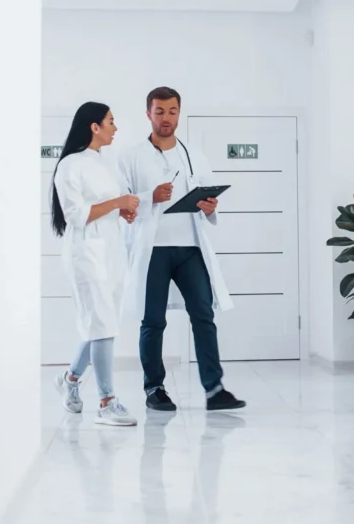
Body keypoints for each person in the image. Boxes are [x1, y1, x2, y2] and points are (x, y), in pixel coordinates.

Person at [119, 86, 245, 412]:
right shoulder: (130, 158)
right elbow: (124, 207)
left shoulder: (194, 155)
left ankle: (214, 389)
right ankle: (154, 389)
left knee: (204, 315)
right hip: (154, 251)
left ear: (179, 112)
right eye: (159, 111)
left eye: (172, 111)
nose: (166, 118)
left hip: (190, 247)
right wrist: (151, 198)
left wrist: (209, 205)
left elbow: (207, 199)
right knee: (153, 321)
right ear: (148, 113)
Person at [50, 102, 139, 426]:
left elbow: (104, 206)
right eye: (111, 122)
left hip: (111, 252)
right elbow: (76, 214)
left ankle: (70, 381)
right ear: (94, 126)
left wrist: (122, 210)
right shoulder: (70, 166)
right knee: (101, 324)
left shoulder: (103, 162)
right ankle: (106, 401)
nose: (115, 128)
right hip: (85, 255)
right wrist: (117, 202)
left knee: (102, 324)